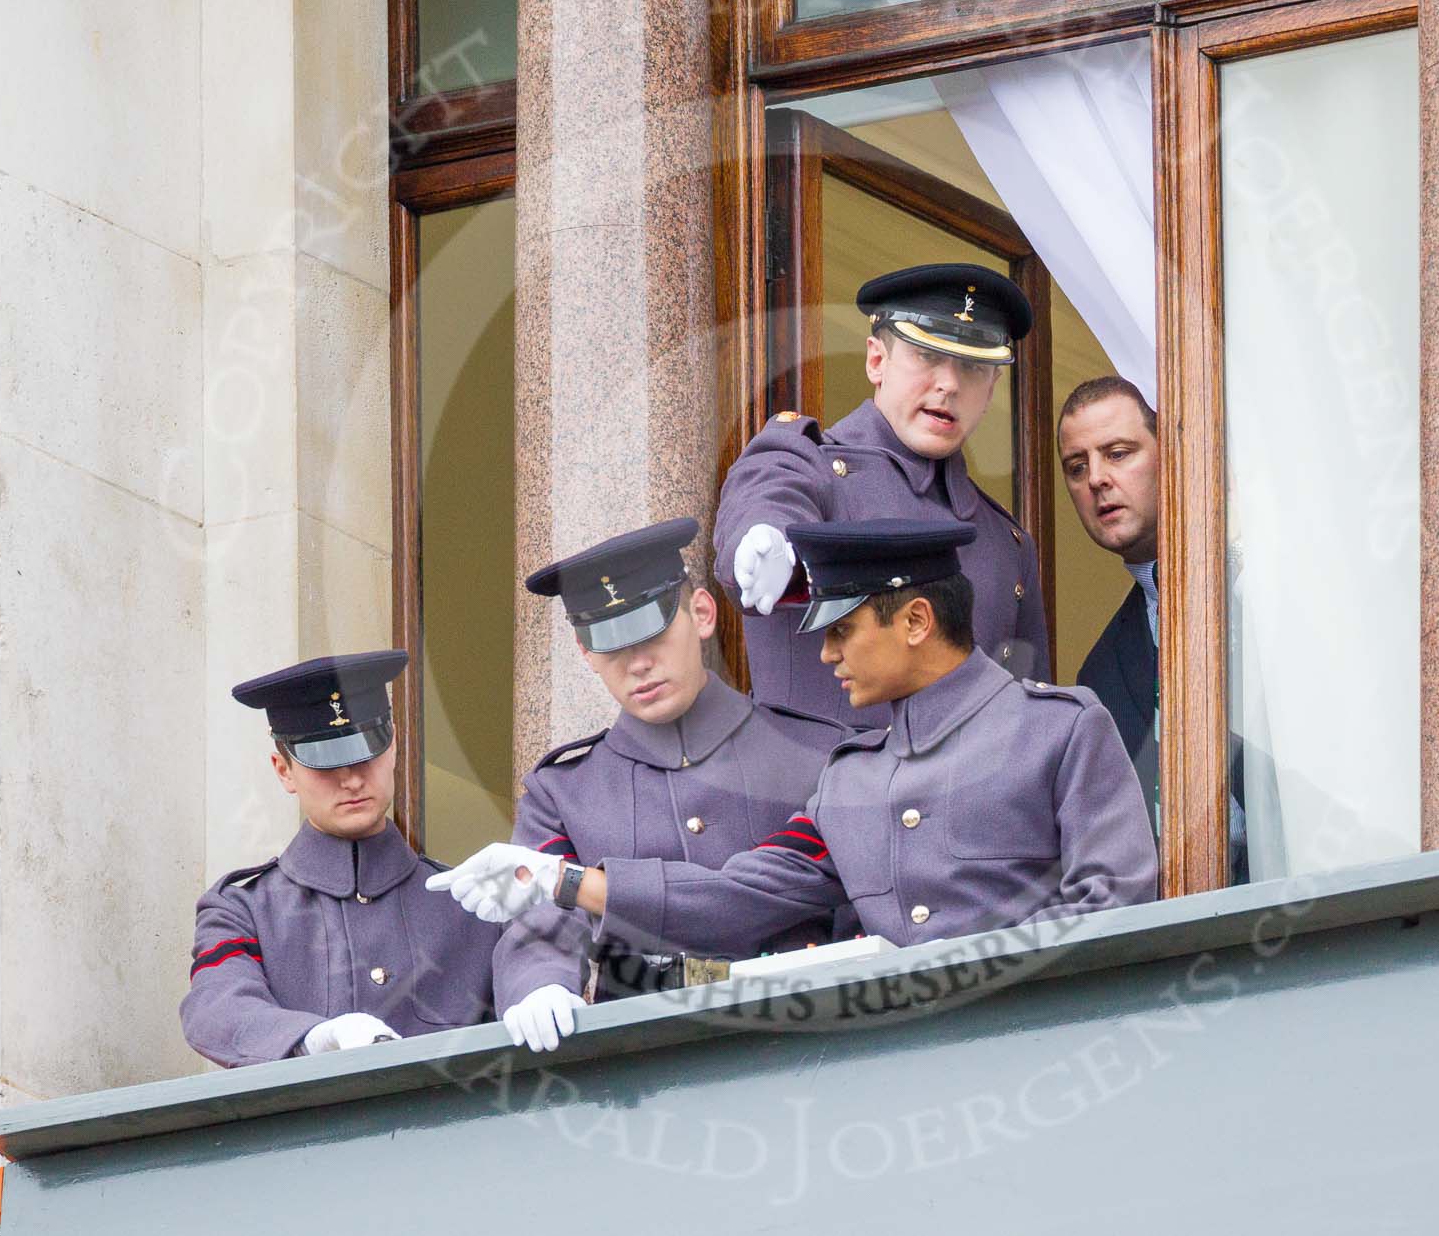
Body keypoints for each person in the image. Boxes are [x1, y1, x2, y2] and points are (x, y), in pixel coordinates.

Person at [432, 519, 1158, 1048]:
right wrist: (561, 883)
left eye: (841, 628)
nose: (827, 651)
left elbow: (1112, 906)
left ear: (914, 619)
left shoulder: (1058, 727)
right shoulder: (851, 781)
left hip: (1046, 1052)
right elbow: (743, 894)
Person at [483, 517, 848, 1052]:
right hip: (642, 1067)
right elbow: (538, 915)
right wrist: (538, 985)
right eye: (611, 647)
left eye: (652, 633)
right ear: (586, 655)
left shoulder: (816, 755)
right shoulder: (564, 792)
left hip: (806, 1044)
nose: (638, 665)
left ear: (702, 614)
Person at [716, 263, 1047, 726]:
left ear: (990, 389)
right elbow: (768, 493)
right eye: (926, 357)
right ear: (877, 361)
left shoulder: (1005, 542)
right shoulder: (808, 462)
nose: (949, 384)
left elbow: (1027, 728)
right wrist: (761, 536)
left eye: (973, 367)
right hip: (819, 796)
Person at [180, 650, 498, 1067]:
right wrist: (314, 1038)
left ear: (394, 743)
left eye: (366, 752)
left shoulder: (468, 904)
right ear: (283, 770)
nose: (351, 779)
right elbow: (217, 1008)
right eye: (325, 764)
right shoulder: (246, 910)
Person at [1058, 376, 1246, 883]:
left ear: (1173, 455)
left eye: (1118, 454)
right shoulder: (1099, 671)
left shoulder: (1266, 590)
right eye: (1077, 467)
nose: (1096, 478)